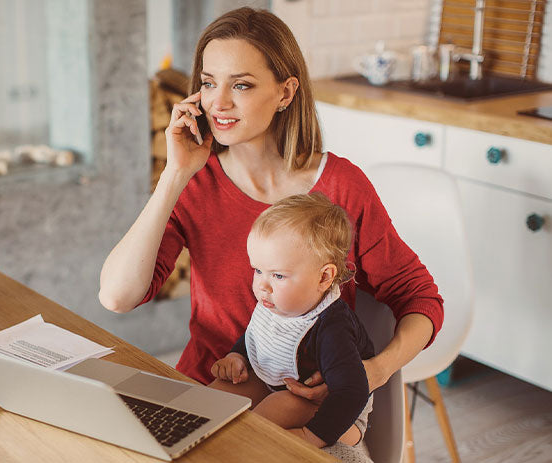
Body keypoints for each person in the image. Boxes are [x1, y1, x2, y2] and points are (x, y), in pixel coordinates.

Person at [99, 5, 442, 413]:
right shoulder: (195, 181)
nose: (218, 103)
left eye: (241, 86)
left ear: (285, 92)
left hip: (306, 405)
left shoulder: (342, 186)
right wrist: (175, 174)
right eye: (209, 83)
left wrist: (376, 371)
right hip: (210, 388)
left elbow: (419, 296)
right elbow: (117, 297)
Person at [209, 192, 374, 449]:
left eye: (278, 275)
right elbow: (261, 334)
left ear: (323, 278)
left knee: (268, 415)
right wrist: (237, 356)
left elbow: (352, 393)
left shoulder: (331, 328)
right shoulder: (278, 300)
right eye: (258, 270)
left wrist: (311, 437)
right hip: (280, 384)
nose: (262, 285)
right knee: (215, 396)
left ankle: (237, 450)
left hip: (341, 414)